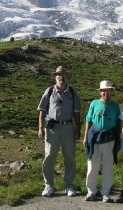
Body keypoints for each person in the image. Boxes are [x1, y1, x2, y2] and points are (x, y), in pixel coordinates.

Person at [37, 66, 81, 197]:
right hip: (52, 128)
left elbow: (77, 112)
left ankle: (69, 185)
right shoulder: (49, 91)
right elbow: (42, 110)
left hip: (68, 127)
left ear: (67, 76)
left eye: (63, 74)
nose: (60, 77)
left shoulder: (72, 92)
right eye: (58, 75)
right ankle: (48, 185)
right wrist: (40, 128)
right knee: (49, 155)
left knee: (69, 155)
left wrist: (77, 129)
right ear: (55, 77)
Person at [83, 80, 120, 203]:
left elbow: (118, 123)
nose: (106, 93)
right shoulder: (94, 103)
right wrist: (85, 136)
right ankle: (91, 190)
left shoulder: (115, 106)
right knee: (93, 166)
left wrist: (118, 139)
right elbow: (88, 119)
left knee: (108, 166)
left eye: (108, 90)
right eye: (103, 90)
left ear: (111, 92)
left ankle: (105, 192)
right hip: (94, 139)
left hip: (109, 139)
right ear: (100, 92)